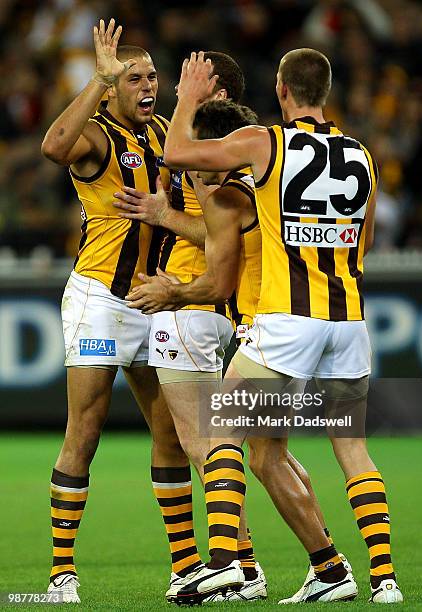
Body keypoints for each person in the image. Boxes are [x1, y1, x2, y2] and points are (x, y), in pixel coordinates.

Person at [160, 49, 403, 604]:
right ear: (328, 90)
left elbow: (177, 153)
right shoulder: (363, 155)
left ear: (281, 89)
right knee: (330, 450)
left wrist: (188, 97)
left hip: (288, 320)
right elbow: (362, 243)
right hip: (347, 321)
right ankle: (365, 577)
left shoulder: (269, 142)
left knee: (221, 427)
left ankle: (223, 563)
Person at [126, 99, 353, 605]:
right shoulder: (262, 189)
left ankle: (234, 567)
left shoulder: (227, 195)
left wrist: (174, 292)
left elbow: (219, 278)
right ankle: (330, 568)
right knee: (269, 457)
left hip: (260, 333)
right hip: (292, 327)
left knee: (210, 441)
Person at [112, 53, 269, 602]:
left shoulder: (213, 148)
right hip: (219, 308)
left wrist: (161, 215)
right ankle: (304, 562)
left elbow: (223, 235)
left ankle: (237, 567)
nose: (177, 88)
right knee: (258, 450)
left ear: (214, 89)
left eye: (189, 81)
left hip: (191, 301)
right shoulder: (234, 144)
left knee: (203, 441)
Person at [40, 19, 188, 603]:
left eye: (153, 75)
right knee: (87, 427)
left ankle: (184, 567)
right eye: (135, 78)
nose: (149, 85)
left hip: (153, 298)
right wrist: (96, 82)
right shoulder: (98, 136)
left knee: (171, 433)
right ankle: (61, 573)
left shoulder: (161, 138)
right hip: (101, 299)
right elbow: (53, 147)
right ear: (112, 87)